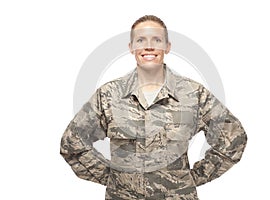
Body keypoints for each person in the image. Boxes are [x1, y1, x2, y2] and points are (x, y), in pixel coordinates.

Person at [60, 15, 247, 200]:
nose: (149, 46)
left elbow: (233, 138)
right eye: (140, 40)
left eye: (156, 40)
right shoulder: (108, 95)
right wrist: (112, 179)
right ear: (131, 47)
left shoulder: (193, 94)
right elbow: (72, 143)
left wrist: (193, 178)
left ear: (167, 46)